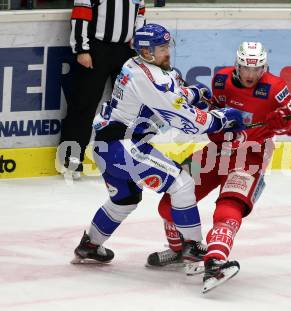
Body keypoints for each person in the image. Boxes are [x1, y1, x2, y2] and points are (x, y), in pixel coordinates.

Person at [71, 24, 246, 264]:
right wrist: (223, 119)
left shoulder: (137, 66)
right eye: (161, 48)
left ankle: (89, 245)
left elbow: (171, 93)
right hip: (124, 146)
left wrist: (193, 94)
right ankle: (192, 245)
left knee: (124, 199)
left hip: (106, 147)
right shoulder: (150, 77)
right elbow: (186, 121)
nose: (167, 52)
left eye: (167, 46)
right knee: (182, 183)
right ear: (145, 51)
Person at [146, 42, 291, 293]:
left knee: (229, 207)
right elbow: (214, 111)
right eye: (246, 68)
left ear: (264, 67)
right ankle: (181, 250)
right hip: (215, 152)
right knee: (170, 201)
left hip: (250, 156)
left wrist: (284, 125)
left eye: (257, 69)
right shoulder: (221, 80)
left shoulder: (276, 88)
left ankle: (215, 261)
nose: (250, 75)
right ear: (237, 64)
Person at [59, 0, 146, 179]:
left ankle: (119, 159)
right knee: (84, 104)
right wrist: (81, 49)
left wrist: (138, 44)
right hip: (96, 49)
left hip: (125, 51)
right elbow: (80, 17)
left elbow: (140, 16)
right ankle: (70, 159)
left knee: (125, 108)